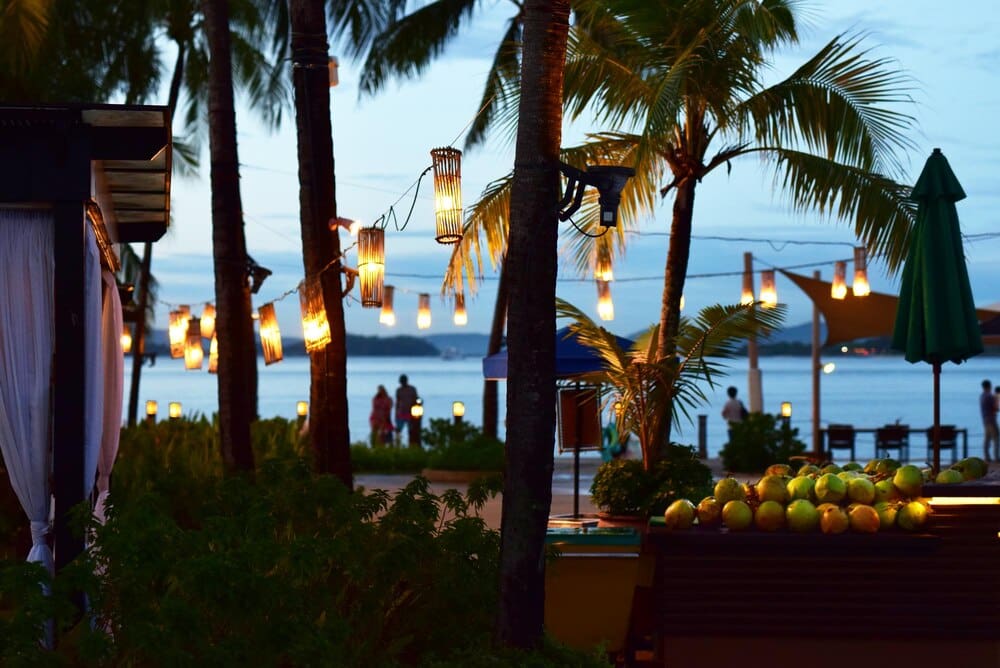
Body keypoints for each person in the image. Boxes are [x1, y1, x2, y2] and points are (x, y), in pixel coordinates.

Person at [395, 374, 418, 443]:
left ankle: (411, 444)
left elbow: (415, 399)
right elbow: (397, 402)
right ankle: (397, 444)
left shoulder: (412, 389)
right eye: (401, 381)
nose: (402, 382)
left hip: (410, 413)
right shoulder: (399, 390)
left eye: (403, 381)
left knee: (411, 431)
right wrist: (396, 413)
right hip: (401, 413)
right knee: (398, 430)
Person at [981, 379, 999, 462]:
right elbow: (996, 407)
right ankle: (996, 457)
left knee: (987, 439)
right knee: (996, 438)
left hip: (985, 420)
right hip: (991, 420)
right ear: (989, 386)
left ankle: (987, 457)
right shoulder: (989, 396)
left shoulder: (982, 396)